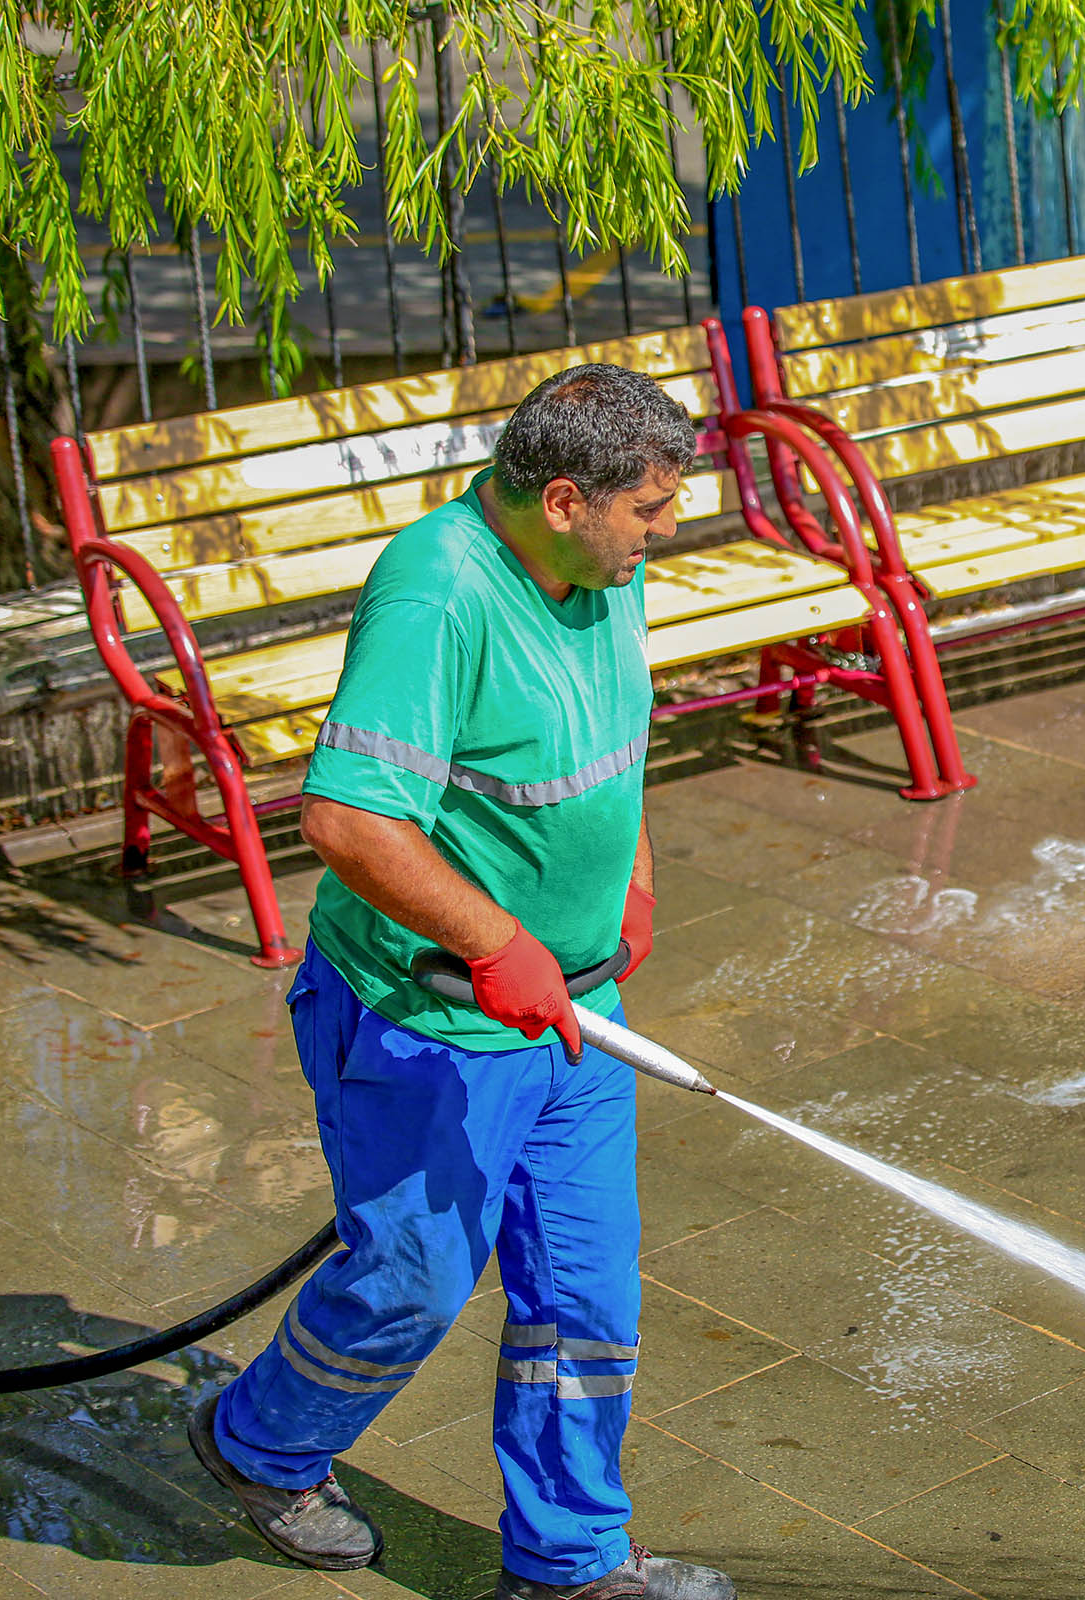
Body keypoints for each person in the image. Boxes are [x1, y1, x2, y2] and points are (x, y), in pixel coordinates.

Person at [188, 364, 734, 1600]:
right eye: (649, 509)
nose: (666, 530)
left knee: (587, 1297)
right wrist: (498, 941)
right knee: (416, 1279)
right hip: (433, 1018)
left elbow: (614, 747)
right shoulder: (437, 596)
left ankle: (571, 1561)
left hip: (578, 1018)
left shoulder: (610, 577)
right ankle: (261, 1444)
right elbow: (345, 819)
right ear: (561, 498)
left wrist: (630, 882)